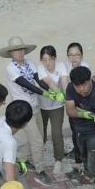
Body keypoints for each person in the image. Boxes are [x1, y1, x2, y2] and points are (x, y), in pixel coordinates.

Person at [0, 36, 52, 185]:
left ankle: (22, 159)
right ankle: (40, 170)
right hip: (23, 109)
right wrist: (45, 93)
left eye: (21, 49)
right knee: (36, 140)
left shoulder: (30, 63)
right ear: (11, 53)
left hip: (35, 105)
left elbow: (38, 80)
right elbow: (25, 84)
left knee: (40, 136)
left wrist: (51, 90)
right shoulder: (11, 68)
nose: (20, 53)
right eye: (16, 50)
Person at [37, 45, 70, 174]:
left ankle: (58, 160)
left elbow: (65, 83)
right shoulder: (40, 69)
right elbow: (50, 83)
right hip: (42, 106)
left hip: (57, 106)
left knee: (56, 133)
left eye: (50, 59)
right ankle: (40, 155)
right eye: (44, 60)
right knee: (41, 133)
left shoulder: (61, 66)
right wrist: (58, 93)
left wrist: (67, 96)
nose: (47, 63)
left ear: (55, 58)